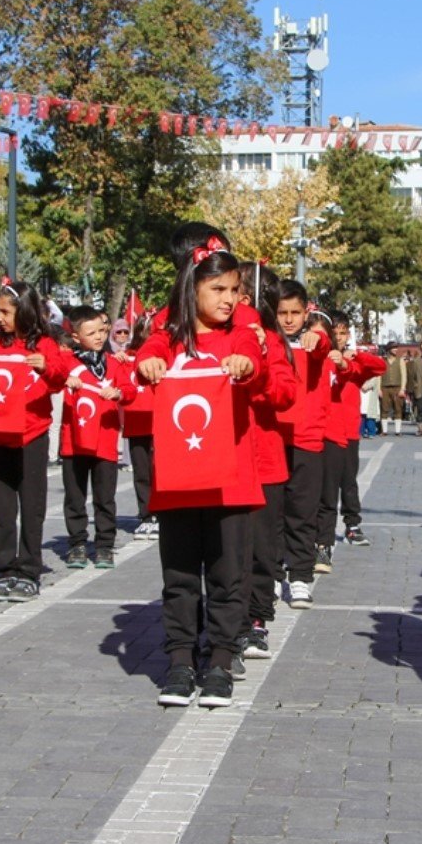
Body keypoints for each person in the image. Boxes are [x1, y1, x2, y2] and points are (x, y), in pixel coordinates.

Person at [136, 244, 264, 709]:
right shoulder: (167, 336)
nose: (229, 298)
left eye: (234, 289)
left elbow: (254, 359)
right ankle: (179, 661)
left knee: (229, 576)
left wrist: (246, 365)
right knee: (180, 575)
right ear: (193, 289)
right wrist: (147, 362)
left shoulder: (242, 335)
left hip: (230, 478)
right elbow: (149, 351)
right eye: (218, 289)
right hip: (179, 476)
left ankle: (222, 661)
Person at [0, 278, 68, 601]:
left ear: (25, 311)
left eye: (6, 312)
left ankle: (29, 568)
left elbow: (59, 377)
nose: (0, 318)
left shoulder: (43, 344)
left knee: (31, 506)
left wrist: (46, 368)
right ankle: (5, 569)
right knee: (3, 509)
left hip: (31, 436)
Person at [241, 266, 298, 662]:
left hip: (263, 460)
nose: (232, 300)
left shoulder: (273, 343)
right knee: (229, 552)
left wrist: (258, 360)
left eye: (240, 291)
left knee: (262, 550)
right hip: (220, 459)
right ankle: (227, 621)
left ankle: (257, 618)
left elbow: (285, 394)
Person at [58, 305, 132, 569]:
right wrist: (64, 378)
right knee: (75, 497)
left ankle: (104, 545)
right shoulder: (67, 361)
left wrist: (119, 394)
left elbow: (130, 389)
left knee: (105, 498)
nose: (99, 337)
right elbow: (50, 374)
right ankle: (77, 544)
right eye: (91, 333)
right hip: (74, 442)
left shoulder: (113, 363)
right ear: (76, 336)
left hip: (105, 441)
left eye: (102, 330)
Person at [273, 283, 330, 607]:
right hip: (273, 438)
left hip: (307, 440)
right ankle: (273, 571)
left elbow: (322, 344)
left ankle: (300, 576)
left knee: (303, 514)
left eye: (295, 313)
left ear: (306, 312)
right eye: (283, 313)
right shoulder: (267, 342)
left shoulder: (314, 342)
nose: (289, 320)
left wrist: (317, 338)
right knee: (273, 514)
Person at [318, 316, 386, 557]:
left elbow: (379, 367)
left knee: (349, 482)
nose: (339, 337)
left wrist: (354, 355)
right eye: (334, 332)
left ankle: (352, 524)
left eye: (343, 332)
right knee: (325, 487)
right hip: (325, 432)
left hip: (349, 431)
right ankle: (322, 536)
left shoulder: (353, 362)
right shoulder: (320, 359)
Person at [121, 314, 158, 540]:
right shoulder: (126, 358)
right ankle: (146, 515)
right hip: (137, 423)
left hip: (160, 422)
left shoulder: (167, 357)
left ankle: (162, 514)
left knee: (160, 472)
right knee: (142, 473)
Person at [380, 345, 408, 435]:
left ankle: (398, 431)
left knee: (398, 408)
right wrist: (378, 389)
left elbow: (404, 376)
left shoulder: (400, 360)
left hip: (397, 387)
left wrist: (402, 389)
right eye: (393, 348)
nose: (396, 350)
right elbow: (379, 375)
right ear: (388, 350)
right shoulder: (382, 361)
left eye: (396, 348)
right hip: (384, 387)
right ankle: (384, 431)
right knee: (384, 408)